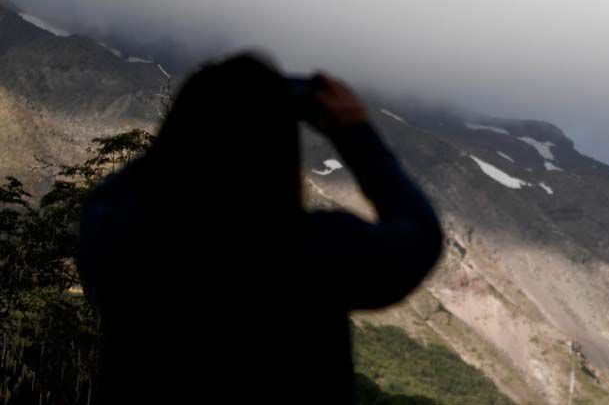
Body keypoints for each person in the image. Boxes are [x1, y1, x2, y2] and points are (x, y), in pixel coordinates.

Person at [77, 54, 444, 404]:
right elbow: (419, 234)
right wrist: (355, 134)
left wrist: (191, 126)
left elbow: (101, 203)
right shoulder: (315, 252)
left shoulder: (126, 242)